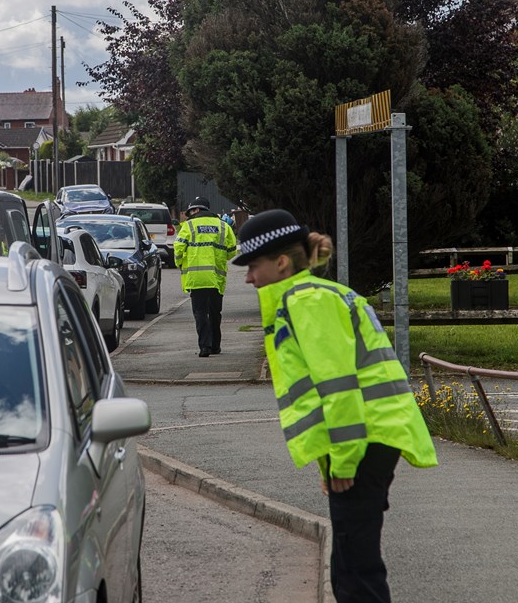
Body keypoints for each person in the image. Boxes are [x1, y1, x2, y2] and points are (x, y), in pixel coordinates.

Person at [233, 208, 436, 603]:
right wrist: (330, 462)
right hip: (366, 440)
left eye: (253, 265)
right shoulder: (309, 297)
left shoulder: (306, 302)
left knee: (357, 570)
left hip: (362, 442)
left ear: (281, 262)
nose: (247, 277)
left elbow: (339, 389)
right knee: (347, 562)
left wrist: (341, 462)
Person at [174, 196, 237, 357]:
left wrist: (179, 263)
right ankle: (215, 346)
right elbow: (231, 252)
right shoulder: (223, 226)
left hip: (197, 279)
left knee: (200, 313)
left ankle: (205, 347)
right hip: (216, 278)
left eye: (191, 211)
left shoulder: (188, 226)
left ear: (196, 210)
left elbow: (178, 249)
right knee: (215, 313)